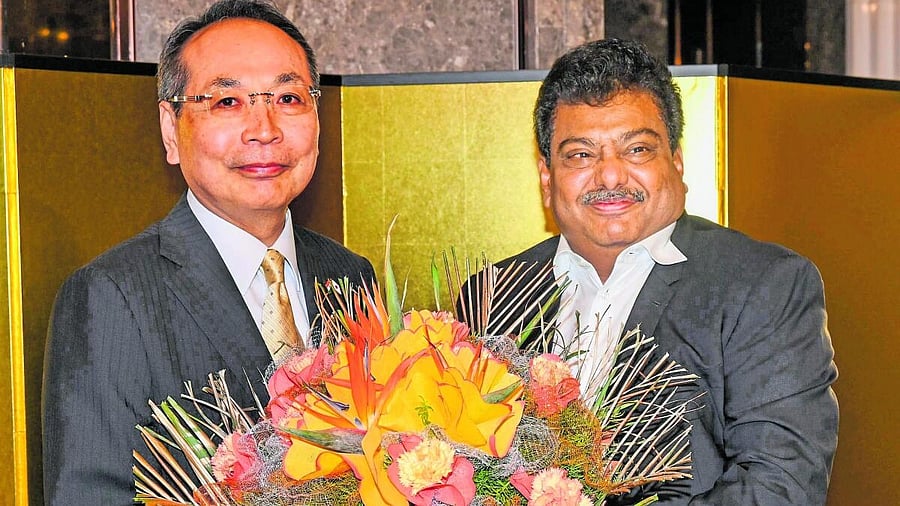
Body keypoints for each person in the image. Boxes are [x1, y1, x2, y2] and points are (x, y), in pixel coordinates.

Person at [460, 39, 839, 504]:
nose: (611, 176)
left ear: (676, 163)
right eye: (581, 155)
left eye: (637, 149)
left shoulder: (762, 286)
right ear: (546, 176)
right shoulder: (493, 294)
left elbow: (782, 485)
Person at [41, 1, 375, 503]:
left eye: (288, 98)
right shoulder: (111, 297)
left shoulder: (350, 275)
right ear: (171, 130)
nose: (265, 129)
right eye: (227, 102)